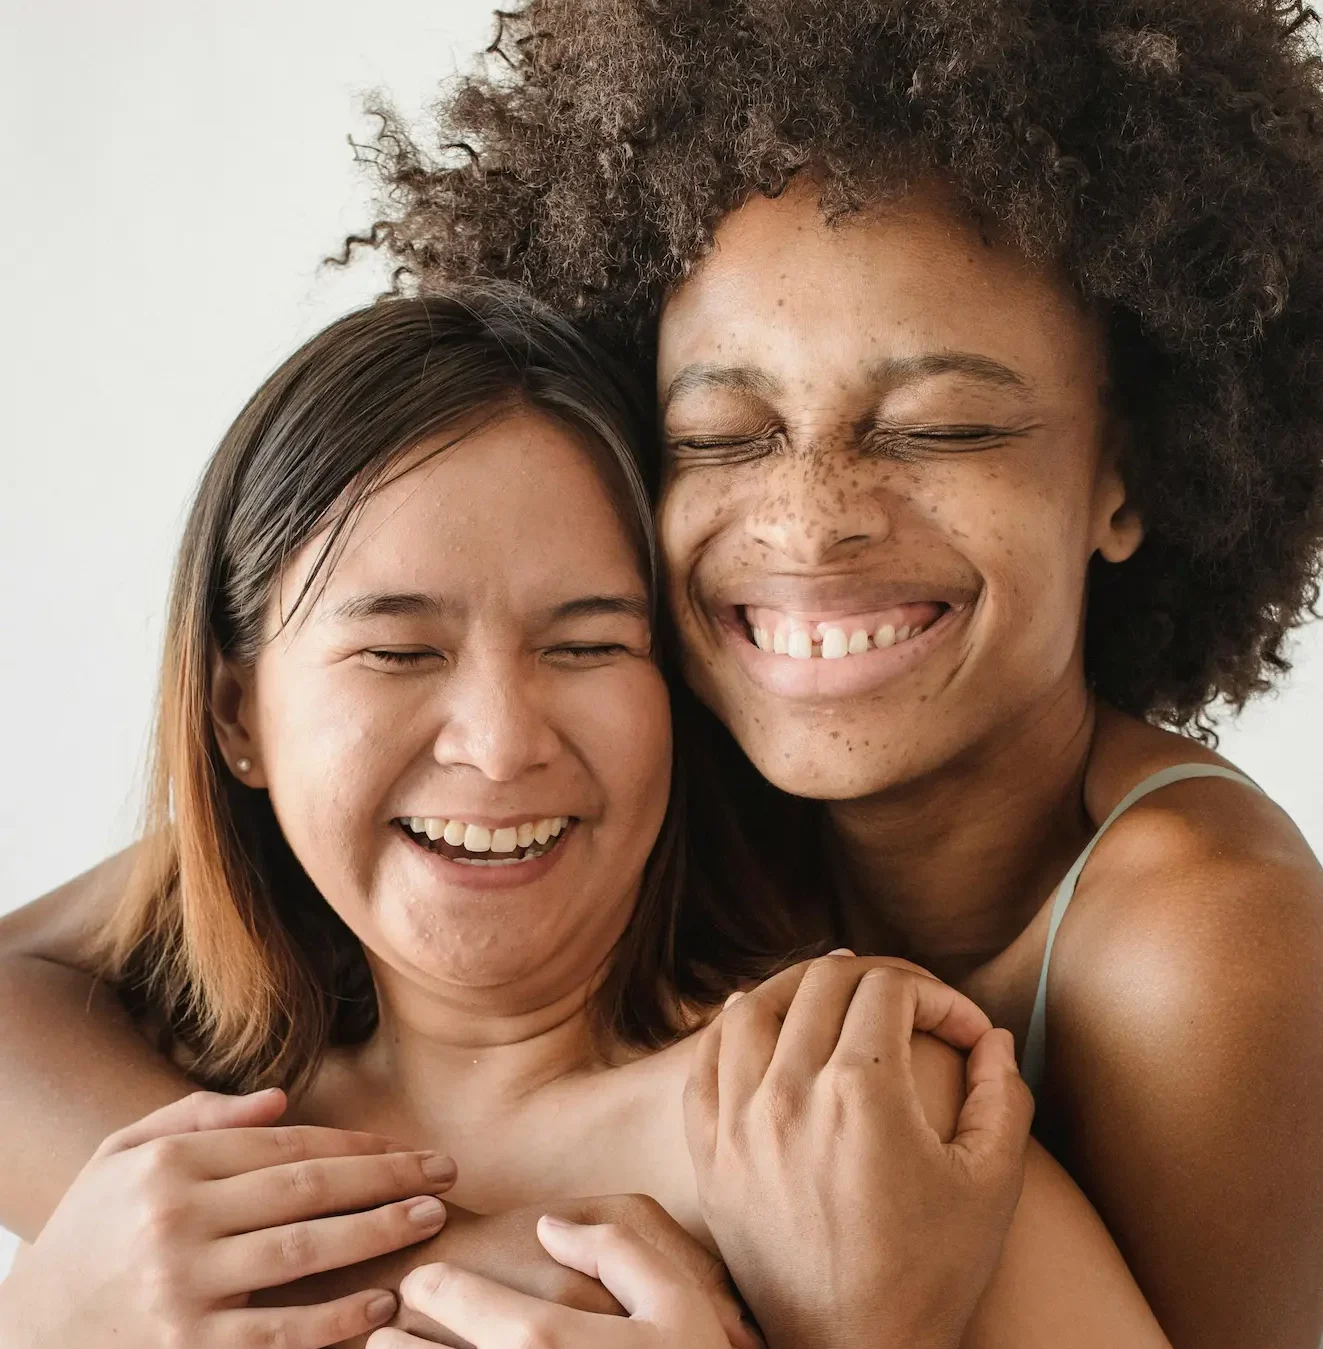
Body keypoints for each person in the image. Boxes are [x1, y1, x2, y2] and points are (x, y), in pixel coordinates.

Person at [3, 0, 1323, 1344]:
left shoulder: (1190, 940)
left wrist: (854, 1322)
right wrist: (205, 1273)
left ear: (1130, 472)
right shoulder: (679, 739)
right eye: (723, 431)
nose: (809, 523)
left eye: (940, 426)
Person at [0, 290, 1167, 1349]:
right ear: (235, 715)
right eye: (400, 651)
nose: (503, 743)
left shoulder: (835, 1114)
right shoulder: (146, 1110)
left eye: (589, 644)